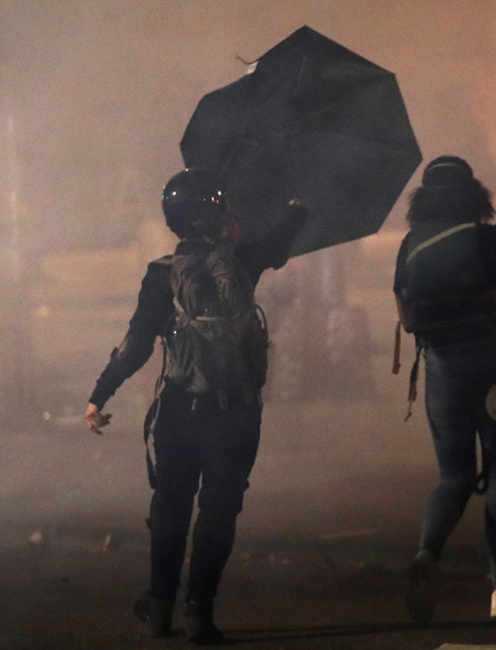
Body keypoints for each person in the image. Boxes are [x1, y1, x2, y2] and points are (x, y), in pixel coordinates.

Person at [83, 168, 307, 643]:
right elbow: (283, 239)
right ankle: (200, 614)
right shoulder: (244, 260)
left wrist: (99, 395)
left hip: (180, 411)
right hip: (237, 412)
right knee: (219, 512)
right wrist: (294, 205)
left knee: (170, 509)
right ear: (217, 216)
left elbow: (136, 346)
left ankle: (160, 608)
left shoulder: (161, 275)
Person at [393, 156, 496, 623]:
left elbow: (408, 318)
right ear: (476, 195)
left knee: (453, 476)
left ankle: (427, 554)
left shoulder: (411, 245)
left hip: (443, 371)